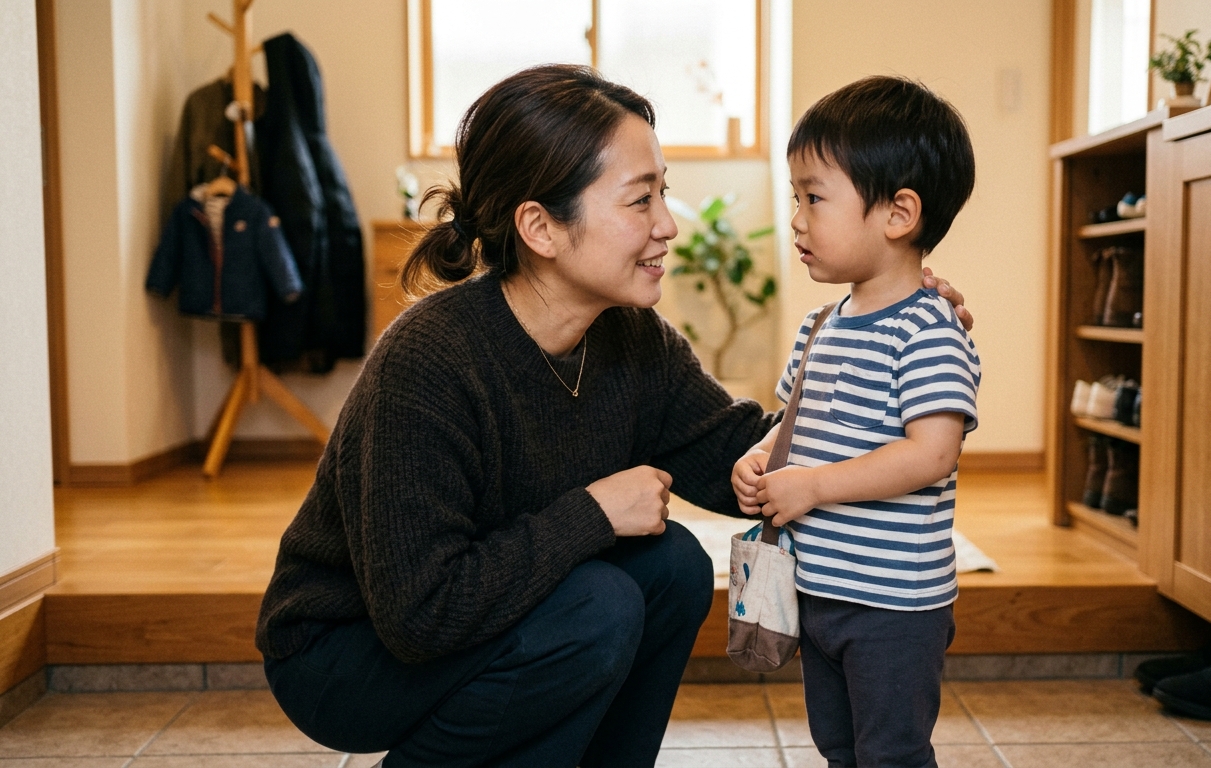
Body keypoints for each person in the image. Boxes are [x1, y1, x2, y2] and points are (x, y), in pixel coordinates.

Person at [255, 65, 974, 768]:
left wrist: (884, 327)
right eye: (640, 201)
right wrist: (593, 513)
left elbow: (741, 461)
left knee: (673, 569)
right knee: (596, 606)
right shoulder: (429, 362)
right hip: (349, 653)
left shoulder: (630, 340)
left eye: (665, 193)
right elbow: (421, 615)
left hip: (477, 616)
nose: (668, 225)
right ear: (540, 226)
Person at [732, 76, 980, 768]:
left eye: (814, 197)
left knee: (891, 752)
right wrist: (759, 457)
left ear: (899, 213)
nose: (797, 218)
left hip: (894, 604)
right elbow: (794, 422)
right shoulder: (821, 326)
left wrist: (812, 488)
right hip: (821, 586)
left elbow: (932, 454)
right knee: (839, 745)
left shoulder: (929, 329)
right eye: (795, 197)